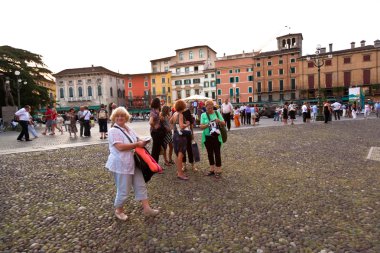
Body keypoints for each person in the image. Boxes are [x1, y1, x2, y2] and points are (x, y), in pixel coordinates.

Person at [105, 106, 159, 221]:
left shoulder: (127, 128)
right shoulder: (113, 131)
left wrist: (143, 141)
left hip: (134, 162)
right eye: (118, 116)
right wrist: (137, 145)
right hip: (121, 164)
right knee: (123, 189)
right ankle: (118, 210)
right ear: (114, 117)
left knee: (140, 185)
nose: (120, 118)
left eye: (122, 116)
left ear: (126, 117)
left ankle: (146, 208)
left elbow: (137, 138)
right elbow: (119, 147)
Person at [200, 100, 225, 179]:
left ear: (213, 106)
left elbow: (224, 123)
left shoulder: (217, 113)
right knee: (210, 153)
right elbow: (201, 126)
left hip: (216, 136)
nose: (210, 109)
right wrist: (207, 125)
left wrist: (219, 121)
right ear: (206, 107)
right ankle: (212, 169)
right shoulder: (203, 115)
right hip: (207, 136)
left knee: (217, 153)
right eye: (208, 107)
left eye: (211, 107)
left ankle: (218, 169)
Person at [170, 99, 191, 180]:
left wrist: (175, 128)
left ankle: (179, 171)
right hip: (180, 137)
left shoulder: (175, 113)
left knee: (177, 154)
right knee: (180, 154)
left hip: (175, 135)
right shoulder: (180, 115)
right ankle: (180, 173)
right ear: (183, 106)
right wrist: (187, 124)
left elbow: (170, 121)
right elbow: (182, 126)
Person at [149, 98, 165, 164]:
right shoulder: (153, 111)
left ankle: (155, 165)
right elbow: (151, 122)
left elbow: (158, 120)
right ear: (157, 103)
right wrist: (155, 127)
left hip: (157, 132)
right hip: (155, 132)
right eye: (160, 102)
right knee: (155, 149)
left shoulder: (157, 110)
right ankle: (154, 165)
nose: (161, 103)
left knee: (157, 149)